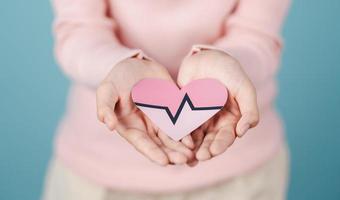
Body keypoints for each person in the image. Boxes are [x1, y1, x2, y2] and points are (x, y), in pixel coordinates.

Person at [43, 0, 291, 199]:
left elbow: (257, 35)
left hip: (241, 176)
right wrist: (117, 66)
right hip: (98, 174)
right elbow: (79, 30)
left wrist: (229, 62)